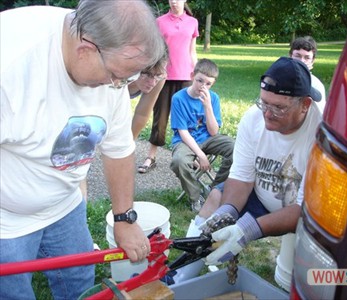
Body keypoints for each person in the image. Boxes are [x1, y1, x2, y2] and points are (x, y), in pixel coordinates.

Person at [0, 1, 165, 298]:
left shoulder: (114, 66)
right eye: (116, 76)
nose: (118, 86)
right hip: (5, 220)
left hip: (65, 205)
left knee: (80, 283)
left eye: (127, 79)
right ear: (85, 50)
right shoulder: (10, 64)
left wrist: (124, 218)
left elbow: (119, 147)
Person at [172, 57, 322, 283]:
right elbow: (241, 177)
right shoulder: (254, 118)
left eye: (279, 107)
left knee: (297, 280)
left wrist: (247, 230)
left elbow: (305, 210)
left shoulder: (323, 134)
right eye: (264, 103)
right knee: (216, 198)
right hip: (261, 195)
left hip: (303, 212)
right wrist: (229, 212)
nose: (268, 114)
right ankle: (180, 277)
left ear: (305, 105)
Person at [80, 53, 168, 201]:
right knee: (83, 153)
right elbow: (95, 110)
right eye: (147, 75)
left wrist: (125, 147)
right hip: (93, 98)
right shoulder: (118, 72)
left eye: (157, 75)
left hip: (115, 97)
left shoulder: (159, 78)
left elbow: (142, 113)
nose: (152, 82)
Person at [138, 0, 199, 174]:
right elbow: (155, 49)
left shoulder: (192, 22)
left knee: (187, 118)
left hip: (186, 76)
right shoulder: (160, 22)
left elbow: (191, 51)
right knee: (161, 116)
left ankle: (189, 156)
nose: (173, 1)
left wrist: (197, 72)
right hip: (164, 76)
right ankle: (151, 156)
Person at [169, 58, 235, 212]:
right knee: (179, 161)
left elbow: (214, 131)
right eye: (199, 81)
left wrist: (207, 107)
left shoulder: (213, 98)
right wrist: (201, 155)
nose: (202, 86)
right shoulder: (178, 98)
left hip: (208, 138)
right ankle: (196, 197)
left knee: (235, 149)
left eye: (208, 84)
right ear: (192, 75)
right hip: (185, 141)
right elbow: (183, 132)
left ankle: (215, 190)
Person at [289, 36, 326, 114]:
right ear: (290, 56)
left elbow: (320, 113)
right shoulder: (279, 77)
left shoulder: (316, 85)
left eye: (307, 58)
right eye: (297, 56)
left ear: (313, 60)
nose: (301, 61)